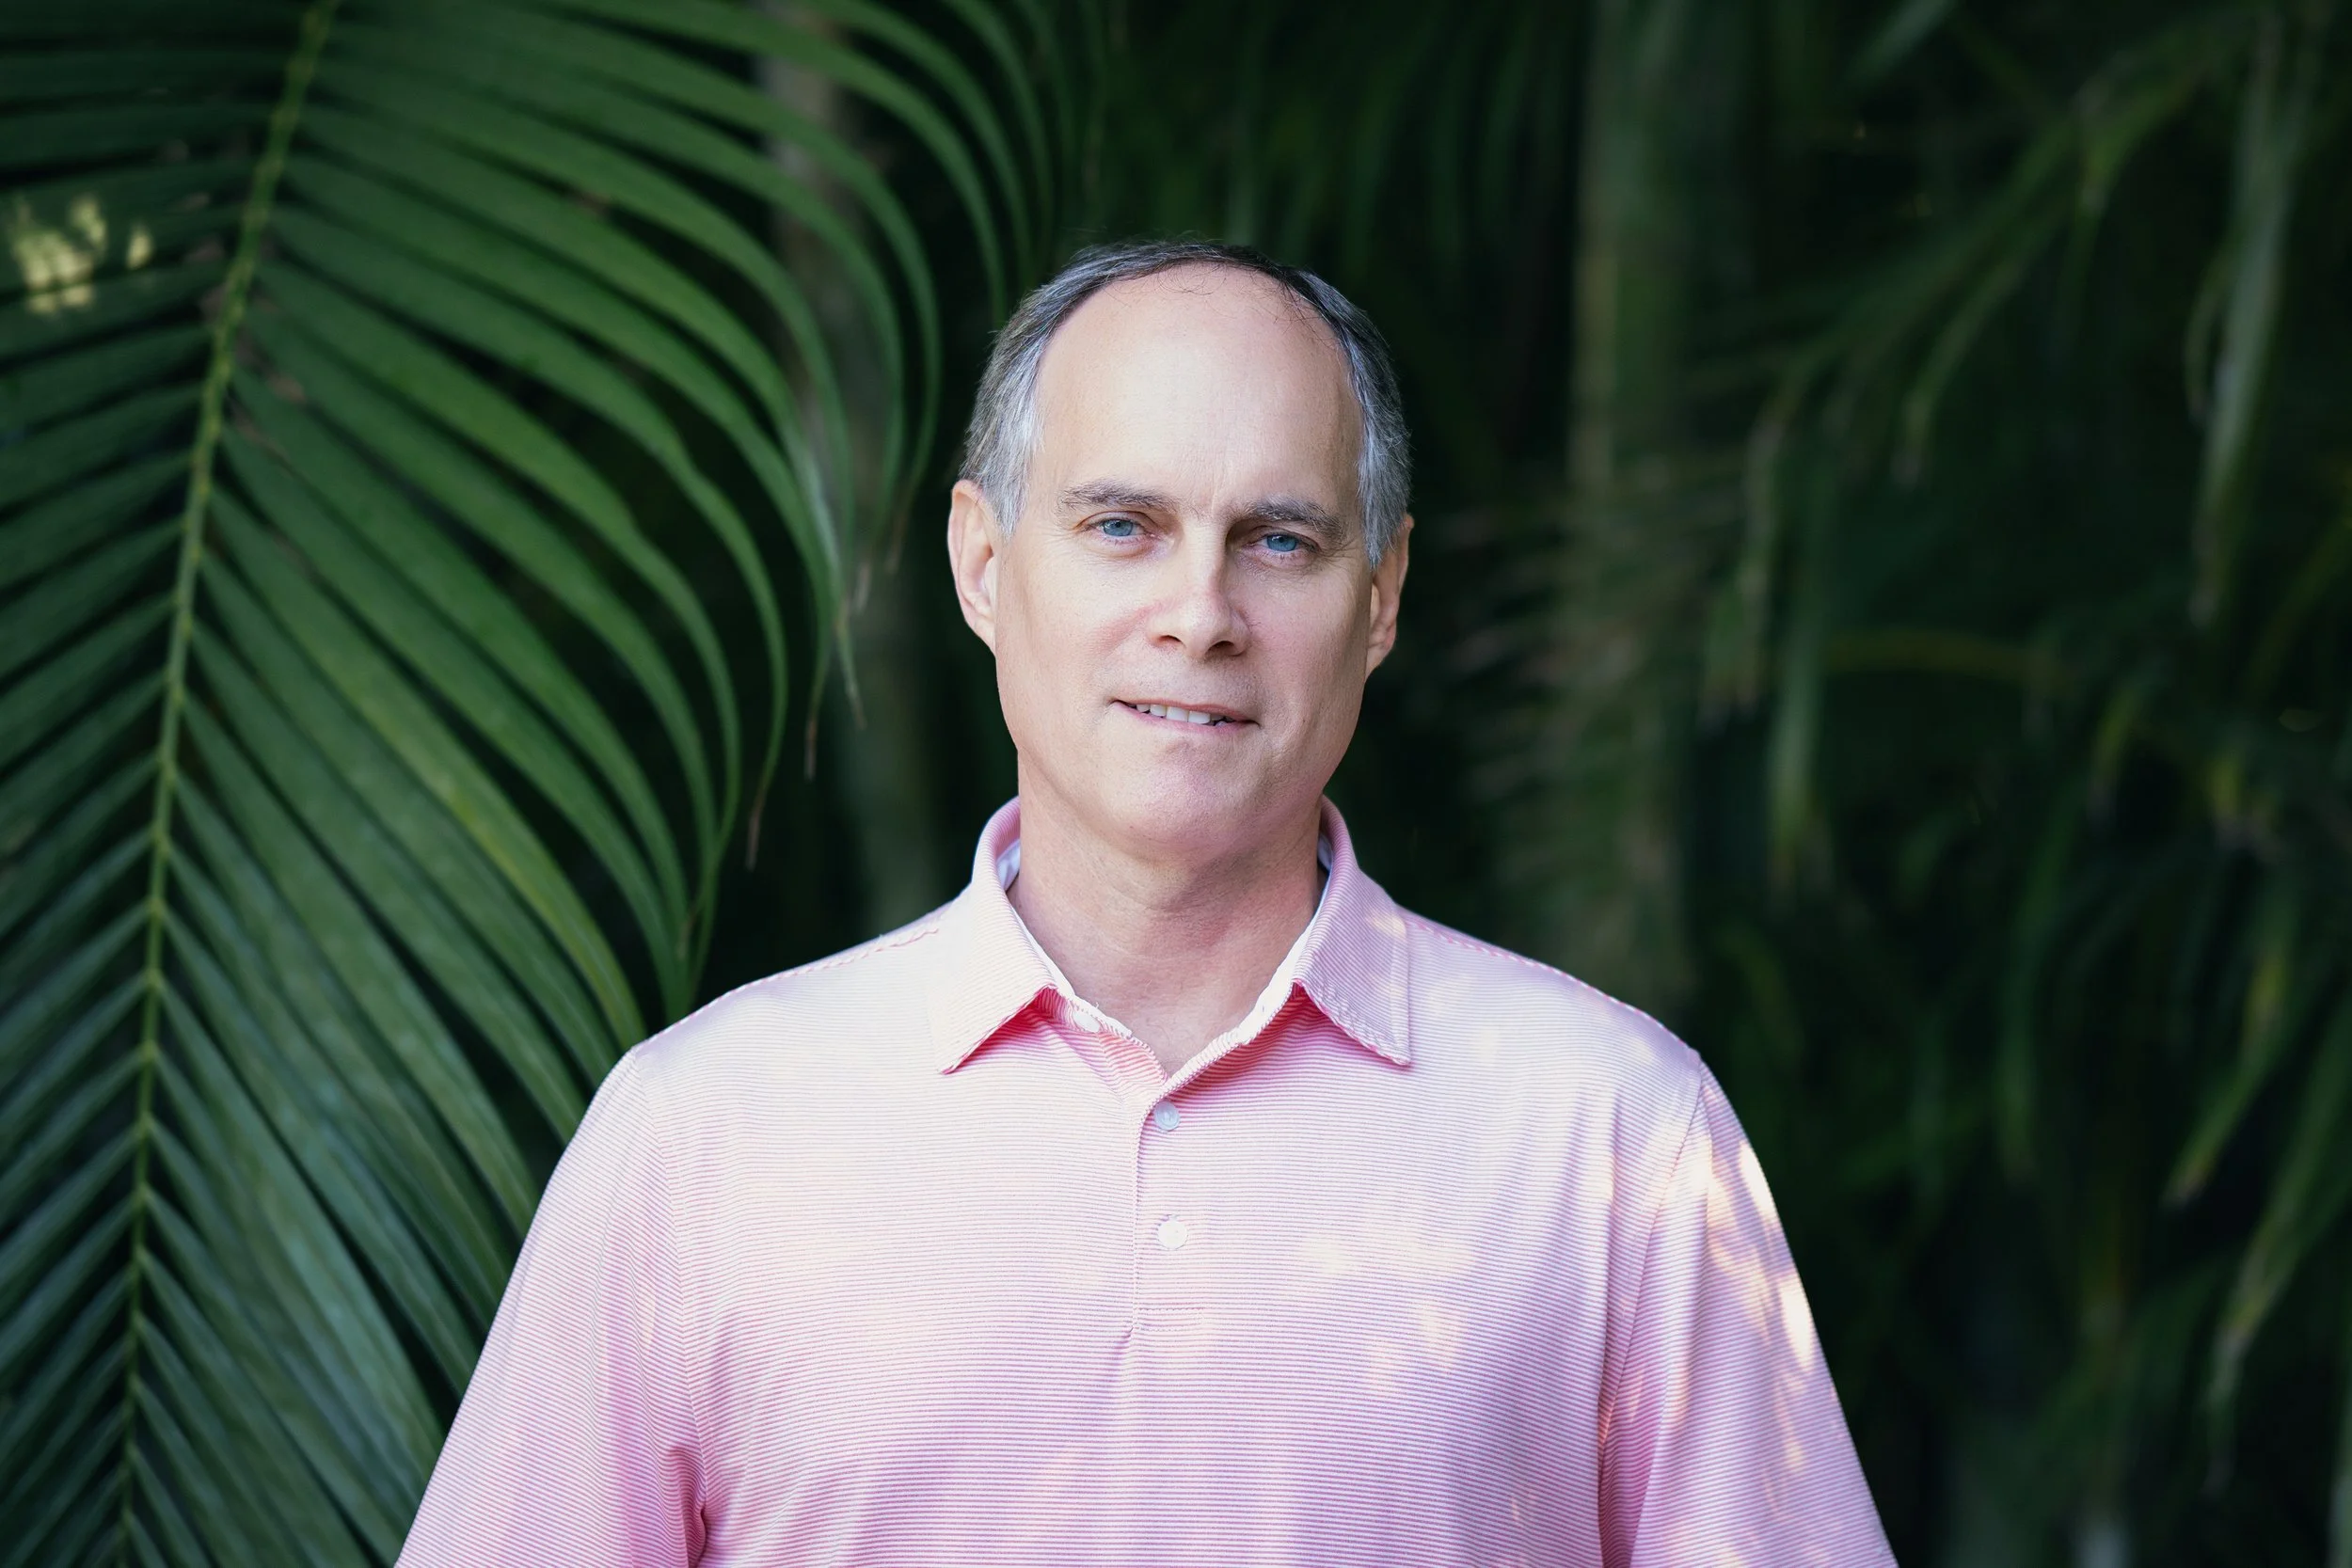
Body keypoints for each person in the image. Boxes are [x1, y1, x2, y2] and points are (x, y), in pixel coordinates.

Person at [398, 240, 1896, 1567]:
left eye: (1280, 540)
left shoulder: (1614, 1133)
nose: (1200, 613)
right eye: (1123, 526)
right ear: (985, 566)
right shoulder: (700, 1135)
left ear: (1378, 599)